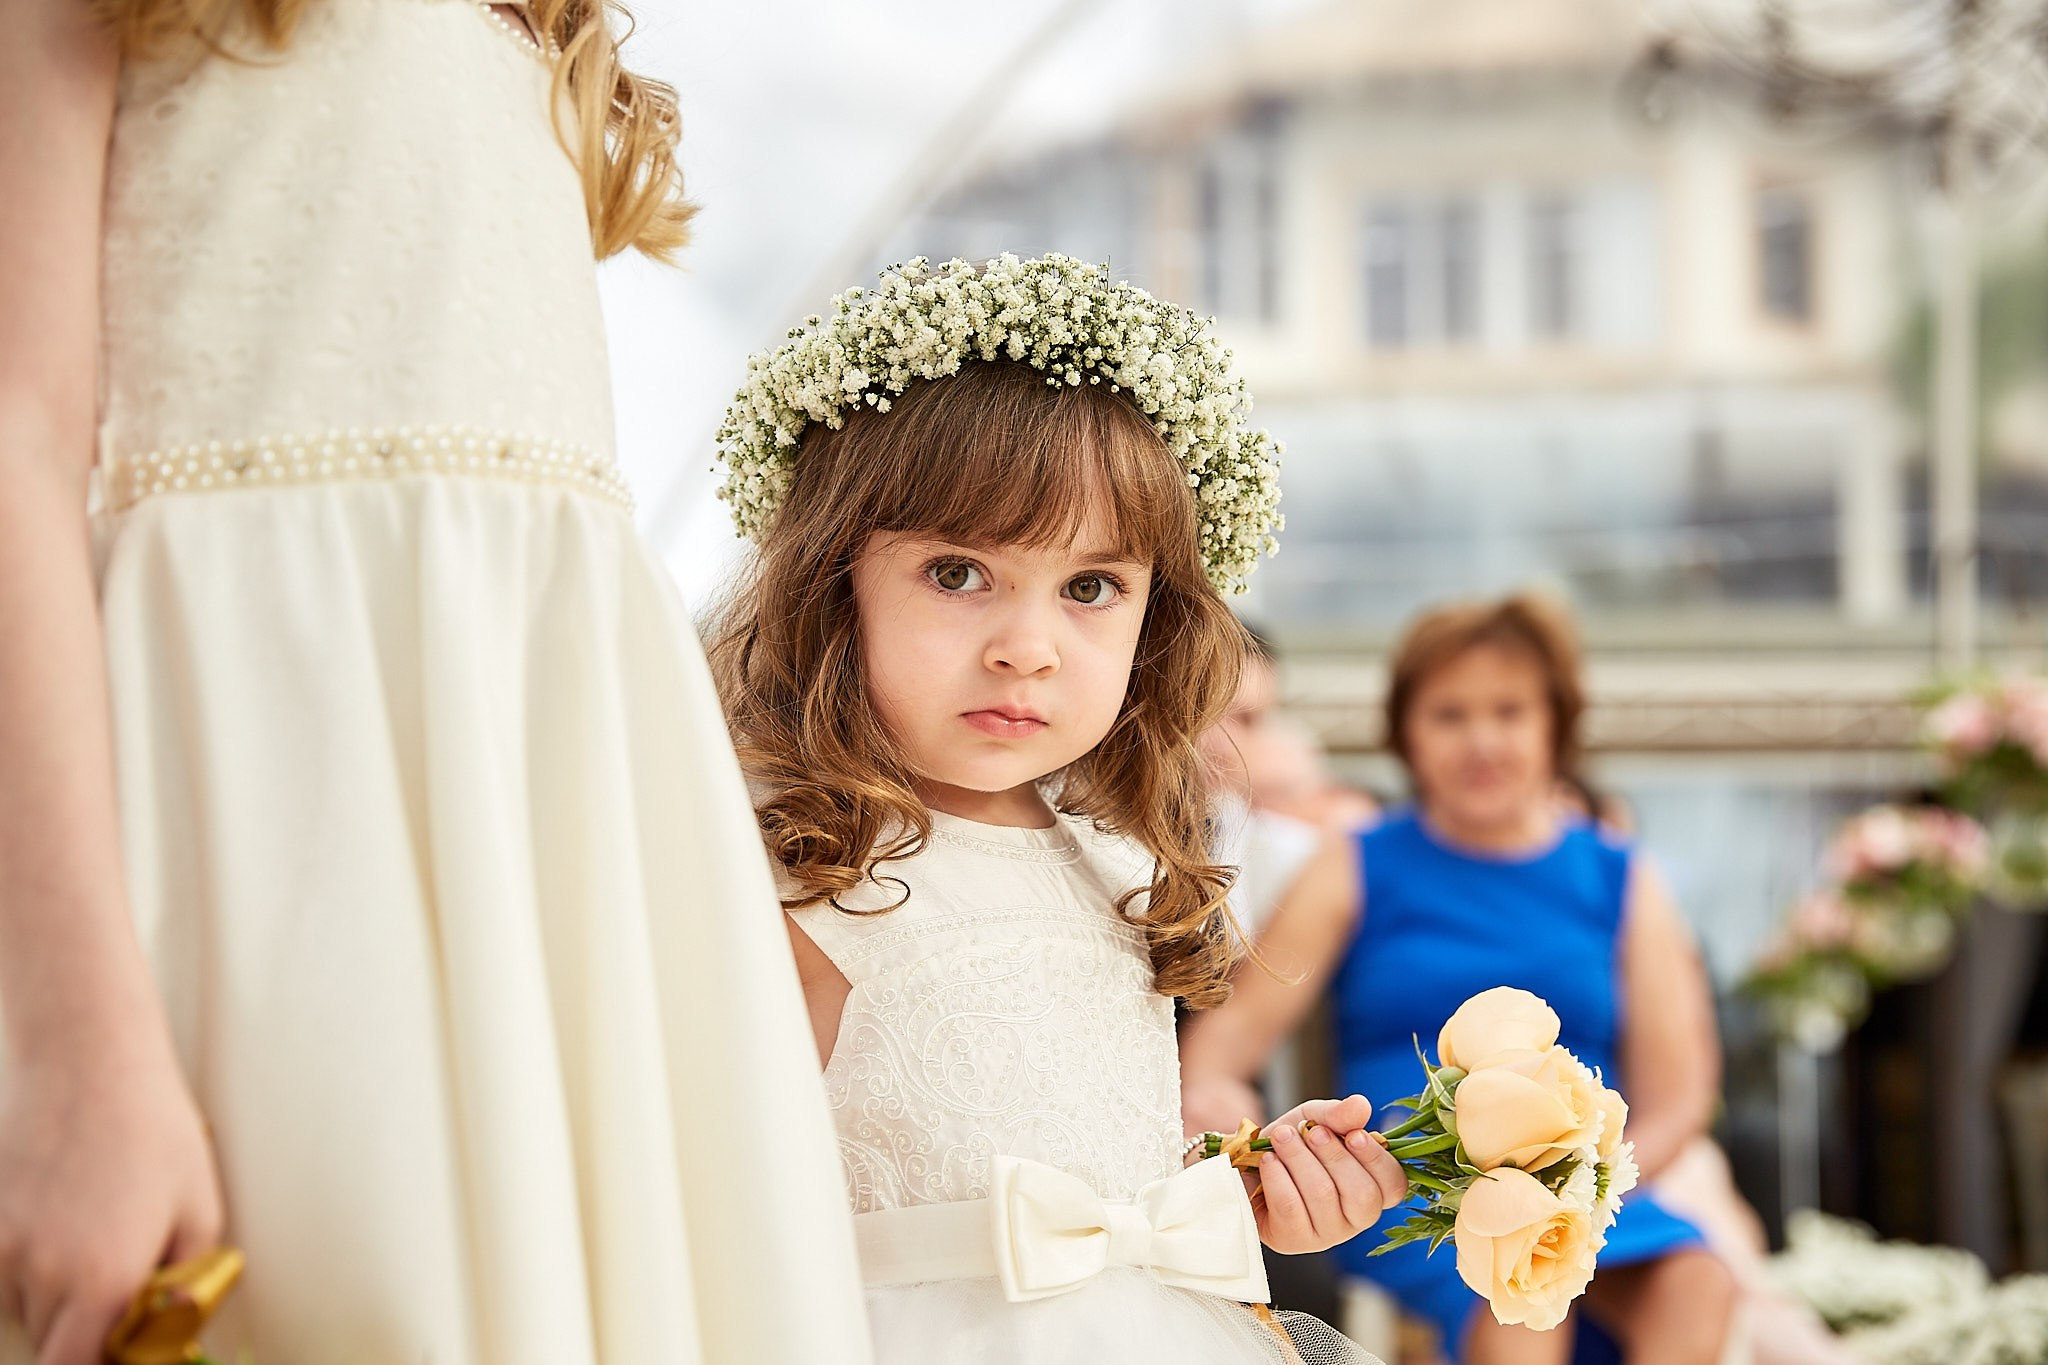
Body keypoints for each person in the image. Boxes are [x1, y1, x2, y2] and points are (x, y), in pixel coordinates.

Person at [0, 5, 864, 1363]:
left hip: (535, 825)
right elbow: (15, 437)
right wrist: (77, 1055)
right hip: (256, 809)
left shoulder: (533, 31)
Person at [702, 253, 1409, 1363]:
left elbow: (1094, 1184)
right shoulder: (793, 868)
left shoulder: (1115, 856)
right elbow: (708, 1215)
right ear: (835, 578)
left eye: (1089, 589)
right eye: (956, 573)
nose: (1024, 648)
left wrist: (1243, 1192)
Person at [1181, 594, 1735, 1365]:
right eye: (1448, 713)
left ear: (1556, 727)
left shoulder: (1619, 876)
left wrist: (1581, 1186)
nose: (1481, 740)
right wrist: (1225, 1113)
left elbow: (1678, 1095)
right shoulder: (1355, 861)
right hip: (1413, 1185)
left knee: (1698, 1279)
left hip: (1592, 1194)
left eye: (1509, 711)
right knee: (1521, 1307)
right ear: (1405, 731)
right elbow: (1223, 1045)